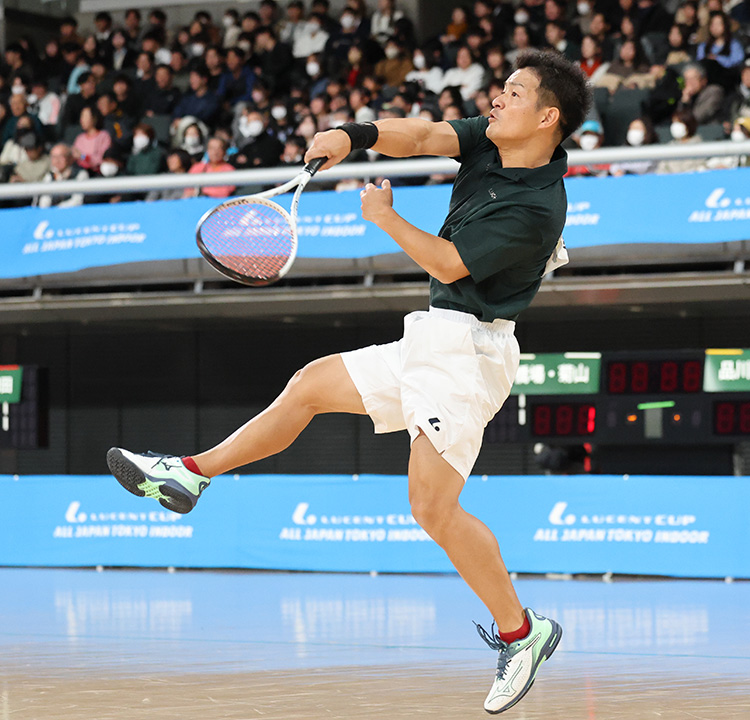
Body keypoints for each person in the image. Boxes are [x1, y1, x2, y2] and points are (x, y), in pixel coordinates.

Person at [105, 48, 589, 716]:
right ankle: (189, 475)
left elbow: (450, 264)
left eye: (512, 92)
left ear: (547, 117)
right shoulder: (491, 140)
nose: (496, 99)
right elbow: (420, 136)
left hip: (469, 353)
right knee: (308, 386)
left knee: (432, 509)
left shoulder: (538, 207)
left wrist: (385, 218)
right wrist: (352, 135)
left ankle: (521, 632)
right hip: (433, 336)